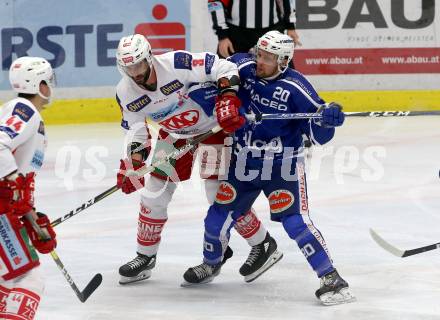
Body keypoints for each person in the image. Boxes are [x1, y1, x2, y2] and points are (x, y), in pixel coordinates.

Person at [183, 31, 356, 306]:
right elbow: (212, 80)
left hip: (282, 166)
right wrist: (222, 102)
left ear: (283, 61)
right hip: (244, 163)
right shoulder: (243, 67)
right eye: (259, 54)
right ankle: (211, 263)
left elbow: (318, 135)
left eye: (267, 58)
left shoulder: (297, 88)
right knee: (216, 218)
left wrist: (327, 120)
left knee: (295, 222)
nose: (259, 61)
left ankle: (331, 277)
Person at [114, 34, 282, 285]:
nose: (135, 73)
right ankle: (145, 257)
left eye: (138, 65)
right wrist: (134, 163)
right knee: (153, 193)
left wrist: (226, 99)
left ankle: (262, 244)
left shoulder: (176, 63)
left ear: (149, 58)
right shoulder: (125, 92)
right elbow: (136, 129)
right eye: (129, 68)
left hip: (214, 127)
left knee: (218, 194)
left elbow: (224, 66)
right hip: (175, 134)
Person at [0, 57, 57, 319]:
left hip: (6, 209)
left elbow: (20, 178)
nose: (51, 87)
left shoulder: (27, 114)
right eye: (48, 81)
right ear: (40, 85)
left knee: (8, 279)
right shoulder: (24, 109)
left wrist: (31, 218)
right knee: (29, 277)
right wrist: (12, 185)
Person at [208, 0, 301, 59]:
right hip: (236, 35)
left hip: (272, 32)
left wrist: (290, 26)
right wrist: (222, 36)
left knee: (282, 76)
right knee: (225, 76)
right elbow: (215, 2)